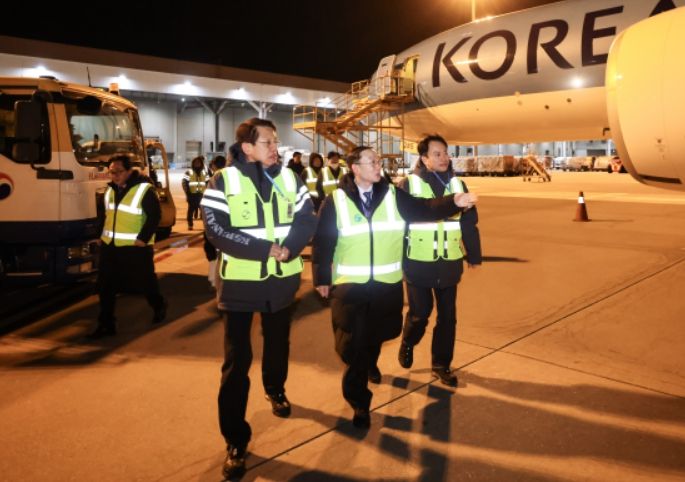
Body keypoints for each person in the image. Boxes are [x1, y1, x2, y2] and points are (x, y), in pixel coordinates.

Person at [312, 146, 476, 429]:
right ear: (355, 168)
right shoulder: (335, 200)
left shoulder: (392, 195)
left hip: (385, 285)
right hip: (350, 286)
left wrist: (454, 201)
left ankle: (368, 362)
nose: (379, 165)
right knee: (352, 343)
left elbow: (424, 208)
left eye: (379, 161)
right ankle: (359, 402)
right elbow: (323, 242)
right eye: (372, 161)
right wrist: (321, 278)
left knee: (375, 336)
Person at [201, 118, 317, 479]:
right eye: (268, 142)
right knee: (237, 362)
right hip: (240, 284)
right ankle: (236, 439)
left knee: (278, 342)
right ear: (247, 147)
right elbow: (216, 229)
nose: (275, 148)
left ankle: (275, 389)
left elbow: (306, 218)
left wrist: (289, 248)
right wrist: (264, 248)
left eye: (276, 142)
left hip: (281, 281)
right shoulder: (223, 180)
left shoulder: (290, 178)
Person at [397, 134, 482, 387]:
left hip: (449, 261)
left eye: (445, 153)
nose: (444, 158)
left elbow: (469, 222)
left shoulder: (458, 184)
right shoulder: (408, 185)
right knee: (420, 313)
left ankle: (441, 364)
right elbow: (402, 223)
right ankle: (408, 340)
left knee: (448, 317)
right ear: (424, 159)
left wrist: (474, 254)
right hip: (418, 262)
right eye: (437, 154)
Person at [89, 155, 167, 339]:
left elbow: (155, 216)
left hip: (135, 246)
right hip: (110, 246)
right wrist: (100, 235)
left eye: (119, 171)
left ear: (129, 171)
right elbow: (105, 215)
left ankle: (158, 305)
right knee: (105, 286)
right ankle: (106, 323)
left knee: (145, 282)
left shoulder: (143, 189)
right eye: (111, 172)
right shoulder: (109, 190)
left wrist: (143, 238)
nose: (115, 175)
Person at [203, 155, 228, 288]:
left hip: (216, 222)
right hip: (225, 222)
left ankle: (214, 279)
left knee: (214, 253)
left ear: (214, 165)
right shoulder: (229, 177)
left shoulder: (216, 179)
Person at [182, 156, 209, 230]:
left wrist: (207, 192)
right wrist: (187, 192)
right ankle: (190, 224)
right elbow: (184, 183)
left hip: (202, 195)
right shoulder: (188, 172)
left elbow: (208, 183)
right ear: (193, 163)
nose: (197, 164)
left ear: (201, 163)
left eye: (198, 162)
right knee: (190, 210)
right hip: (191, 195)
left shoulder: (205, 173)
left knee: (204, 212)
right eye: (195, 162)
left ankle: (206, 226)